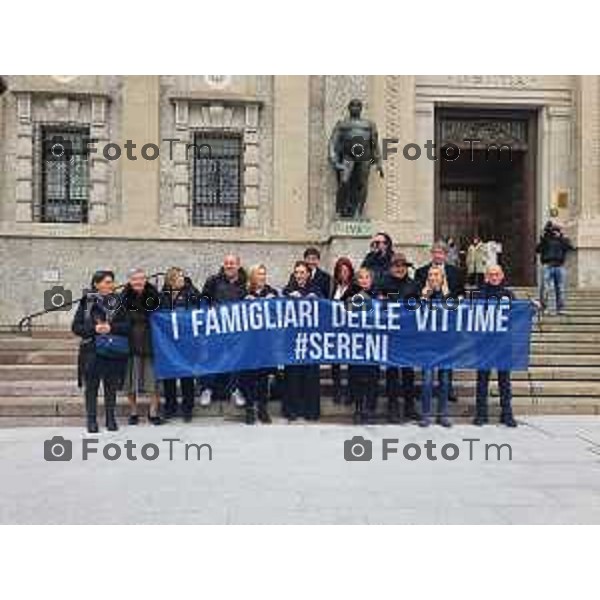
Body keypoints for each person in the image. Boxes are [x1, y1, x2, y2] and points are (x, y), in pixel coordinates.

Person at [72, 270, 130, 433]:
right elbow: (76, 327)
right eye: (106, 282)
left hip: (112, 351)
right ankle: (91, 420)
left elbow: (127, 326)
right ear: (96, 284)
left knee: (111, 387)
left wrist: (111, 327)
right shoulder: (87, 302)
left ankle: (110, 418)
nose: (110, 285)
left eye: (111, 281)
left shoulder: (119, 302)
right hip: (91, 351)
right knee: (91, 387)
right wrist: (95, 328)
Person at [415, 240, 465, 403]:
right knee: (427, 363)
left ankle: (448, 388)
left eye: (441, 252)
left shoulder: (455, 272)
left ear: (445, 254)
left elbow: (461, 294)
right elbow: (416, 295)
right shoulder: (422, 272)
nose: (437, 255)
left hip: (448, 322)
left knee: (448, 360)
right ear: (431, 254)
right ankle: (427, 390)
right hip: (428, 323)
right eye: (435, 252)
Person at [200, 254, 248, 407]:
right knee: (213, 358)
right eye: (227, 263)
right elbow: (203, 301)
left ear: (238, 265)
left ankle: (234, 391)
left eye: (232, 263)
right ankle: (207, 389)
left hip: (236, 329)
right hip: (216, 328)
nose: (229, 266)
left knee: (236, 360)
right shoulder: (213, 280)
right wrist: (206, 318)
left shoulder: (245, 284)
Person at [377, 253, 420, 422]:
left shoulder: (414, 284)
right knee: (392, 373)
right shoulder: (383, 284)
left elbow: (418, 307)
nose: (400, 268)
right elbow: (377, 304)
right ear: (391, 267)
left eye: (403, 266)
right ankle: (392, 407)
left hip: (408, 335)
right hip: (391, 335)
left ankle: (409, 406)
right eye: (396, 265)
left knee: (408, 373)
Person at [473, 265, 517, 428]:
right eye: (491, 274)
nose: (494, 277)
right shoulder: (478, 294)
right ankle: (481, 414)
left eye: (496, 274)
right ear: (486, 277)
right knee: (482, 380)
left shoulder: (509, 294)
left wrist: (530, 308)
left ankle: (507, 414)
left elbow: (517, 313)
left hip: (503, 344)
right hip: (484, 344)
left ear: (502, 275)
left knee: (504, 381)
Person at [282, 260, 323, 421]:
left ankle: (310, 411)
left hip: (311, 340)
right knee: (292, 375)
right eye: (297, 272)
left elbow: (326, 311)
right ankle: (291, 410)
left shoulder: (316, 290)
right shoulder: (287, 290)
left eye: (302, 272)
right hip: (292, 340)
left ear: (308, 274)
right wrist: (288, 299)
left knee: (310, 375)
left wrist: (317, 300)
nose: (299, 275)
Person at [121, 268, 162, 425]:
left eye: (141, 279)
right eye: (134, 279)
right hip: (130, 341)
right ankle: (133, 411)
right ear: (130, 281)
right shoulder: (123, 297)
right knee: (130, 380)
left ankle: (153, 411)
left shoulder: (155, 296)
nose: (138, 282)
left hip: (150, 341)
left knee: (153, 379)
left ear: (145, 280)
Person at [239, 264, 278, 425]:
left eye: (264, 273)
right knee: (249, 376)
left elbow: (280, 315)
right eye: (258, 274)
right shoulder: (244, 293)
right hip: (249, 342)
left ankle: (263, 408)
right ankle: (249, 408)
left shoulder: (272, 293)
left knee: (263, 377)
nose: (262, 277)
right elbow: (235, 315)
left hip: (266, 342)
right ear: (252, 277)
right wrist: (245, 303)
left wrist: (273, 304)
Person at [160, 267, 201, 422]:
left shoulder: (191, 293)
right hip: (168, 342)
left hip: (187, 341)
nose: (182, 279)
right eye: (179, 277)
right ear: (171, 280)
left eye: (183, 276)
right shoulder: (162, 296)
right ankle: (170, 406)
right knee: (169, 375)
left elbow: (199, 311)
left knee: (186, 375)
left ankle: (187, 408)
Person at [418, 266, 451, 428]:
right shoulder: (423, 295)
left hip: (445, 344)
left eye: (436, 275)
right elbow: (416, 314)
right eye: (430, 275)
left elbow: (454, 312)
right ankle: (425, 414)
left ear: (442, 277)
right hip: (427, 345)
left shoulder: (448, 295)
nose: (433, 277)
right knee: (427, 381)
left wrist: (444, 293)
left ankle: (443, 414)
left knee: (444, 381)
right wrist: (424, 296)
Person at [347, 267, 380, 424]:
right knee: (357, 376)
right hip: (356, 342)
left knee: (372, 377)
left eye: (367, 277)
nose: (364, 280)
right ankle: (358, 408)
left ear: (371, 280)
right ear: (357, 280)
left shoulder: (379, 295)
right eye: (361, 277)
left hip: (374, 342)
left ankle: (370, 408)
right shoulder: (351, 294)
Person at [330, 257, 358, 405]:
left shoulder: (355, 288)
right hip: (335, 329)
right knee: (335, 362)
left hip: (350, 329)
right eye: (341, 271)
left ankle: (351, 392)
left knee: (351, 362)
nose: (343, 274)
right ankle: (337, 390)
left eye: (346, 271)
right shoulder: (333, 287)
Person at [536, 221, 575, 315]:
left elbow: (570, 247)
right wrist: (544, 238)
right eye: (553, 230)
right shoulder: (546, 239)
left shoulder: (563, 240)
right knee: (545, 287)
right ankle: (544, 307)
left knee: (560, 288)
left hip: (559, 266)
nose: (554, 232)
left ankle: (560, 308)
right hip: (547, 265)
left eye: (557, 230)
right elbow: (538, 250)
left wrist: (561, 237)